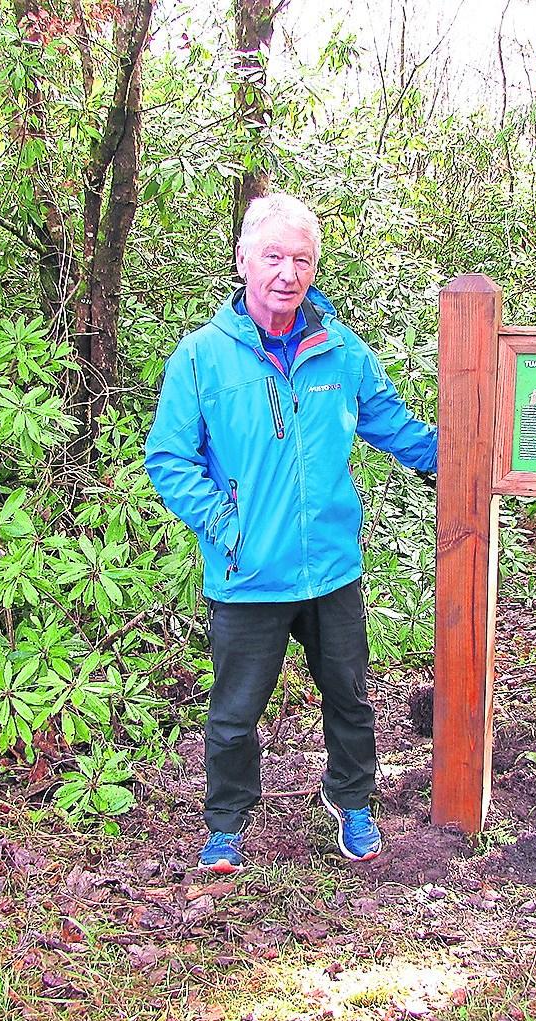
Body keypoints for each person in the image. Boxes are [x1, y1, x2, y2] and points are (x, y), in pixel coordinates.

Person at [145, 193, 437, 872]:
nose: (288, 272)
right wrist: (226, 525)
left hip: (331, 565)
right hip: (249, 572)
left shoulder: (340, 351)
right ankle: (225, 824)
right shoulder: (201, 358)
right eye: (274, 256)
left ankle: (353, 801)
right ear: (243, 259)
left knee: (350, 694)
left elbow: (394, 425)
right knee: (234, 711)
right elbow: (168, 458)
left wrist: (463, 457)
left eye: (301, 259)